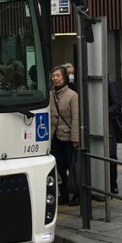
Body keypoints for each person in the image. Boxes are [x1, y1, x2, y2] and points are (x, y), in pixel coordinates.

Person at [48, 65, 80, 206]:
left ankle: (76, 194)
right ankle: (64, 194)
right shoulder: (50, 94)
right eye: (53, 76)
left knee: (72, 168)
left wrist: (75, 138)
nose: (55, 78)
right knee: (60, 168)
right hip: (55, 137)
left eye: (58, 76)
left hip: (69, 139)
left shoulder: (72, 95)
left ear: (65, 78)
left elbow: (76, 118)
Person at [107, 77, 122, 194]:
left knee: (111, 155)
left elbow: (117, 104)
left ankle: (112, 184)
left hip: (109, 125)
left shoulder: (109, 83)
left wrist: (102, 112)